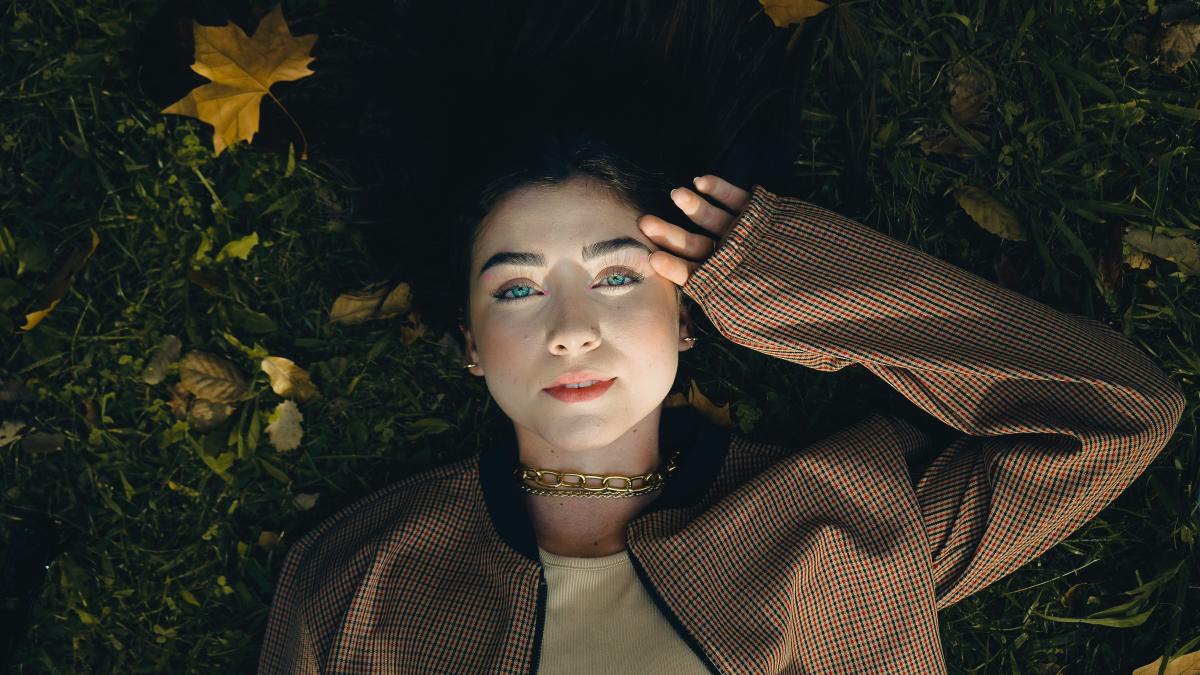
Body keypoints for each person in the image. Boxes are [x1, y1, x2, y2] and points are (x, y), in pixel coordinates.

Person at [257, 127, 1186, 674]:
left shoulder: (833, 528)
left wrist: (786, 276)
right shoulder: (362, 577)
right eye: (516, 288)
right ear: (469, 344)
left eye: (619, 278)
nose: (571, 327)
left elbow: (1115, 411)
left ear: (692, 316)